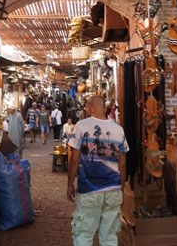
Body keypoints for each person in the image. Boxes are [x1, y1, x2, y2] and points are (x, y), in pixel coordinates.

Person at [67, 95, 129, 246]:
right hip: (113, 190)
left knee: (84, 235)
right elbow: (122, 164)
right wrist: (121, 187)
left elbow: (74, 160)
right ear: (104, 109)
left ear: (89, 108)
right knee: (109, 237)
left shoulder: (81, 125)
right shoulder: (118, 129)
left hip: (89, 190)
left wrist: (69, 184)